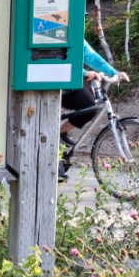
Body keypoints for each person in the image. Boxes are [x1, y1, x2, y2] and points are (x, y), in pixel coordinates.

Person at [59, 39, 129, 180]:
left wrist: (114, 73)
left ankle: (61, 132)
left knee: (90, 107)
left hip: (71, 82)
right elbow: (58, 60)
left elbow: (91, 57)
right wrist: (85, 73)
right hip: (53, 82)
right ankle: (54, 161)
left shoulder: (78, 35)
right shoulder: (60, 34)